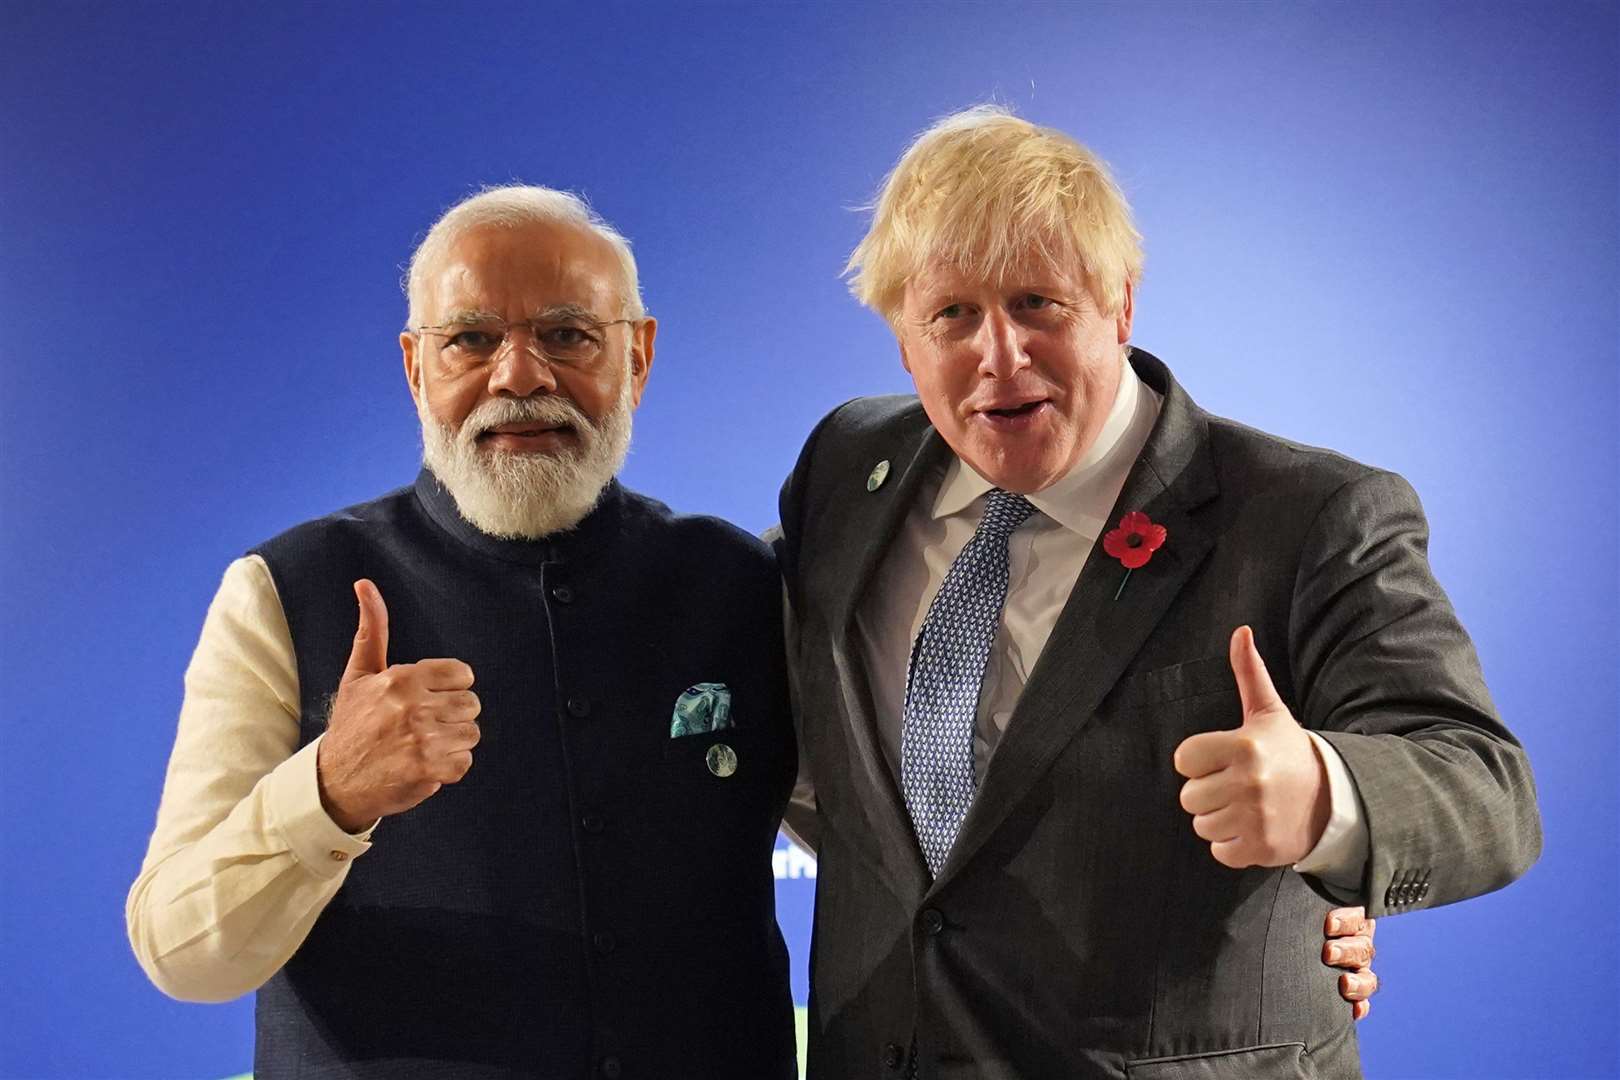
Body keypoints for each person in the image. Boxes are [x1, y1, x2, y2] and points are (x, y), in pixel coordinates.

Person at [774, 107, 1541, 1079]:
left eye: (1038, 304)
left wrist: (1325, 801)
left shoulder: (1312, 515)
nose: (997, 354)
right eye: (952, 315)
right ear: (903, 340)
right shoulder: (849, 466)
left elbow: (1486, 788)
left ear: (1120, 304)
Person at [126, 186, 799, 1079]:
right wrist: (328, 792)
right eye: (471, 339)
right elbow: (181, 951)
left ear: (637, 357)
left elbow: (880, 842)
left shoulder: (741, 586)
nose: (519, 378)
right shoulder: (281, 593)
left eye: (567, 335)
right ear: (416, 368)